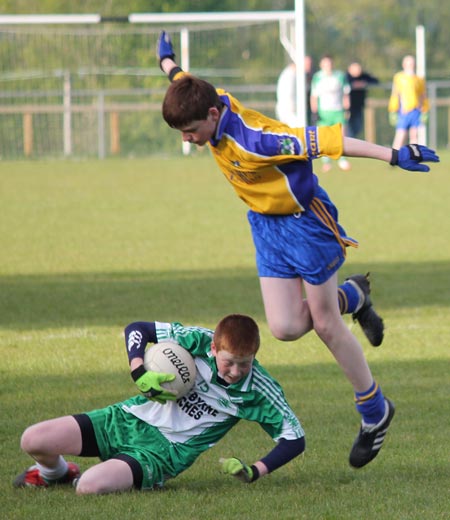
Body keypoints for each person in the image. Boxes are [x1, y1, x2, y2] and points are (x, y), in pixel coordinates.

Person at [156, 31, 439, 469]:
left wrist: (393, 154)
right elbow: (185, 80)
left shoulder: (257, 140)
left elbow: (330, 142)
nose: (189, 140)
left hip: (306, 224)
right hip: (265, 225)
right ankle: (354, 296)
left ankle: (374, 410)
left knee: (325, 324)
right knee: (286, 327)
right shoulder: (205, 101)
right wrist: (168, 63)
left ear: (213, 115)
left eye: (192, 132)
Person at [13, 314, 305, 493]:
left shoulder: (258, 390)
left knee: (90, 487)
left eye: (245, 363)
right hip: (128, 418)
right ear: (215, 348)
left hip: (164, 452)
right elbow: (138, 329)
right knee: (33, 439)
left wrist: (255, 470)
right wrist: (138, 369)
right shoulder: (198, 341)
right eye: (229, 362)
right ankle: (57, 473)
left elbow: (295, 439)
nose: (236, 371)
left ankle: (137, 476)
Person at [310, 55, 351, 172]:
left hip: (338, 110)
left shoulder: (340, 76)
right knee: (324, 137)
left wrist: (347, 109)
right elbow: (314, 96)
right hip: (324, 111)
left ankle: (342, 159)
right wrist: (315, 111)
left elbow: (345, 94)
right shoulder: (317, 77)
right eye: (325, 64)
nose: (328, 66)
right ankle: (326, 161)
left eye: (329, 63)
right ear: (321, 65)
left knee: (341, 135)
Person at [388, 55, 429, 149]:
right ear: (403, 64)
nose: (410, 65)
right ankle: (394, 156)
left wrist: (425, 109)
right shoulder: (399, 77)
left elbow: (423, 95)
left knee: (414, 135)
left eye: (412, 63)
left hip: (415, 110)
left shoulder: (418, 79)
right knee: (400, 135)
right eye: (408, 63)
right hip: (404, 111)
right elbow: (395, 94)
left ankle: (413, 156)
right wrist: (393, 110)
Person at [276, 55, 314, 127]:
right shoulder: (290, 74)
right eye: (307, 64)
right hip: (289, 111)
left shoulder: (298, 75)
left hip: (293, 111)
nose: (309, 67)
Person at [345, 62, 379, 138]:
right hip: (347, 108)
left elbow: (375, 81)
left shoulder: (363, 76)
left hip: (359, 107)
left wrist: (364, 83)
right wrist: (354, 84)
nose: (357, 71)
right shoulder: (345, 77)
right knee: (348, 129)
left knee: (357, 127)